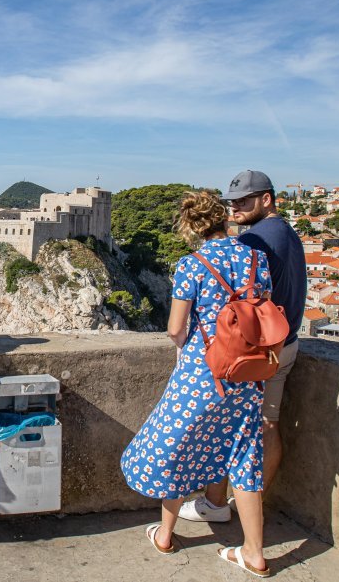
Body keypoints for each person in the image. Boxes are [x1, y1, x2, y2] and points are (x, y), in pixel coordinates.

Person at [120, 191, 273, 577]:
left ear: (191, 227)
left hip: (202, 375)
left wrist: (188, 342)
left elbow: (175, 328)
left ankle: (166, 535)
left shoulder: (192, 265)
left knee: (177, 445)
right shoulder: (257, 258)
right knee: (244, 456)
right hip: (248, 374)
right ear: (224, 218)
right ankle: (254, 552)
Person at [179, 170, 306, 524]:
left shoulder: (255, 243)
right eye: (231, 202)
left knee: (235, 427)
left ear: (266, 199)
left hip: (255, 351)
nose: (235, 207)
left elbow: (234, 306)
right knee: (267, 424)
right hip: (285, 343)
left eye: (244, 201)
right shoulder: (287, 233)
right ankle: (236, 503)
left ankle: (222, 505)